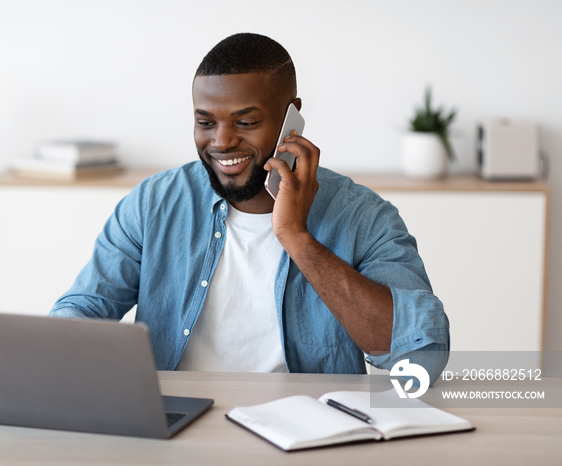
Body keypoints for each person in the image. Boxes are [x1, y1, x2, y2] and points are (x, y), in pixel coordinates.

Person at [50, 33, 449, 382]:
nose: (221, 142)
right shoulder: (154, 203)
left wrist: (296, 238)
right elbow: (86, 305)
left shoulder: (363, 217)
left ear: (292, 117)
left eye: (245, 122)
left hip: (310, 432)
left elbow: (421, 358)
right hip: (177, 425)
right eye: (205, 122)